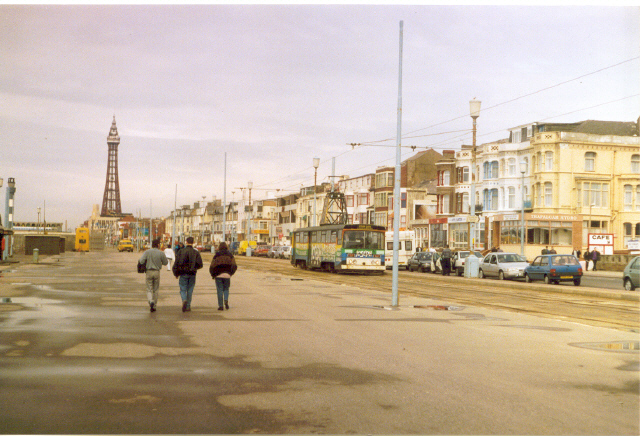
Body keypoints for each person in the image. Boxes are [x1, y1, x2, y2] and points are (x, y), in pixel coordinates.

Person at [172, 236, 203, 312]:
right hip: (192, 274)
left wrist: (176, 273)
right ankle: (188, 306)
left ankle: (184, 300)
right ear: (193, 243)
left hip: (183, 273)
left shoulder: (181, 251)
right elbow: (200, 264)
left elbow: (177, 263)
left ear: (186, 242)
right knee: (190, 289)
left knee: (182, 289)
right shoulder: (196, 252)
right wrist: (195, 268)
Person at [138, 238, 168, 312]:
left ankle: (150, 301)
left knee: (149, 288)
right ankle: (154, 305)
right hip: (157, 272)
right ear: (158, 245)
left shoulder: (147, 252)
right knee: (155, 289)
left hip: (148, 271)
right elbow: (165, 263)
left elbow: (141, 261)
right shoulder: (161, 253)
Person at [209, 242, 238, 311]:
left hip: (218, 275)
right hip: (227, 275)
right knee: (226, 289)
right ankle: (226, 299)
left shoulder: (217, 255)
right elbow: (234, 266)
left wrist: (213, 274)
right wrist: (231, 273)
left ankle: (221, 306)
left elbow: (212, 266)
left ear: (219, 247)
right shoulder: (230, 255)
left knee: (219, 290)